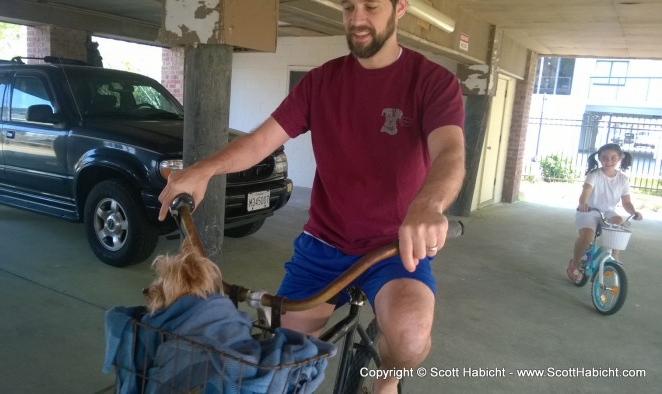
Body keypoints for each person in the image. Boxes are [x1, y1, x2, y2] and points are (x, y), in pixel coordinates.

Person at [157, 0, 465, 392]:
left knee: (409, 339)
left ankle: (385, 377)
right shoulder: (322, 82)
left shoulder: (431, 81)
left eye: (371, 5)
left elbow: (450, 153)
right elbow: (260, 142)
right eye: (349, 6)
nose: (357, 19)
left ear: (399, 7)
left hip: (394, 248)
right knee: (279, 365)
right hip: (325, 246)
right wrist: (203, 170)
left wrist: (428, 204)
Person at [567, 143, 642, 283]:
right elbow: (585, 193)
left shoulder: (622, 179)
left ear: (620, 158)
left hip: (608, 212)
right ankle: (575, 264)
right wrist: (583, 204)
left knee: (619, 221)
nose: (608, 161)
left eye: (613, 158)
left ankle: (614, 256)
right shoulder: (594, 175)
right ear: (599, 158)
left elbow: (626, 202)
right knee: (587, 236)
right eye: (605, 158)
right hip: (589, 211)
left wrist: (634, 212)